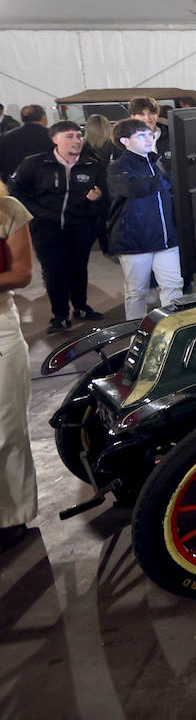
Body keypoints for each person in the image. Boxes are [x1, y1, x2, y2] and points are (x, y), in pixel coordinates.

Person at [8, 120, 107, 331]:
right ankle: (60, 315)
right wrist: (35, 213)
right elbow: (15, 189)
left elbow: (106, 197)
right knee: (54, 270)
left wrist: (96, 200)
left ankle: (81, 307)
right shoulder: (35, 163)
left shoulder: (94, 165)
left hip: (81, 227)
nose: (77, 140)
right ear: (55, 139)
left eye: (79, 136)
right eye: (69, 136)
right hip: (46, 228)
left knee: (79, 268)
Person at [107, 118, 182, 319]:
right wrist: (168, 178)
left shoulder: (160, 163)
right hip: (135, 242)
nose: (148, 138)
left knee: (174, 287)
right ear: (124, 141)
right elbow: (135, 188)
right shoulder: (117, 168)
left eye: (150, 134)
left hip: (166, 240)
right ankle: (134, 337)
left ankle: (172, 331)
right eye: (141, 135)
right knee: (137, 293)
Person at [0, 179, 36, 552]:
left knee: (7, 429)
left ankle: (11, 516)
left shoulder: (8, 208)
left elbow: (22, 273)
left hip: (1, 329)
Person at [0, 105, 51, 181]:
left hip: (15, 184)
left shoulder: (5, 137)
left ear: (22, 119)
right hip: (46, 183)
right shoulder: (53, 136)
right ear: (43, 117)